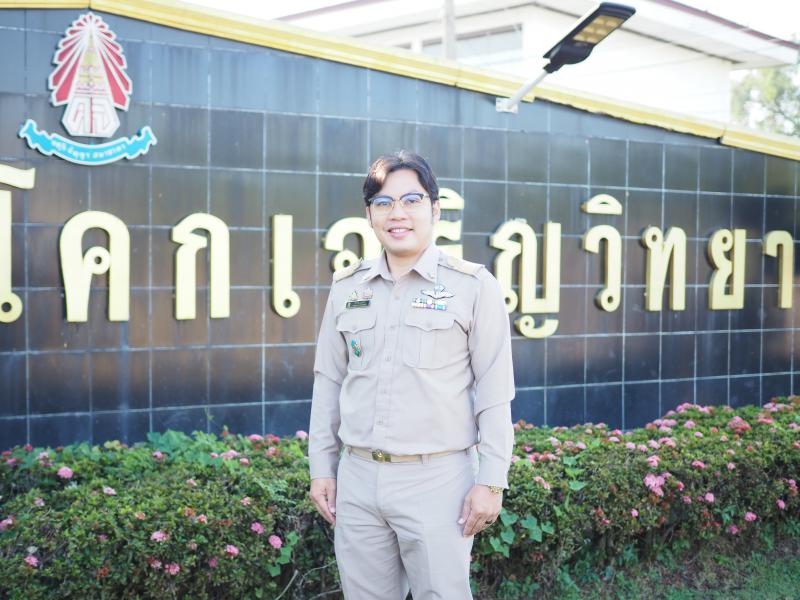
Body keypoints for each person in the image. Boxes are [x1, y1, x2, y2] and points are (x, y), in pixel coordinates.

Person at [308, 150, 514, 599]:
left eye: (411, 200)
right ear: (369, 214)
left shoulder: (472, 286)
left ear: (435, 209)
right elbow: (329, 382)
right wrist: (321, 468)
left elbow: (495, 390)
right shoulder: (347, 287)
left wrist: (491, 481)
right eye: (383, 202)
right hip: (358, 478)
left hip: (437, 481)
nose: (396, 213)